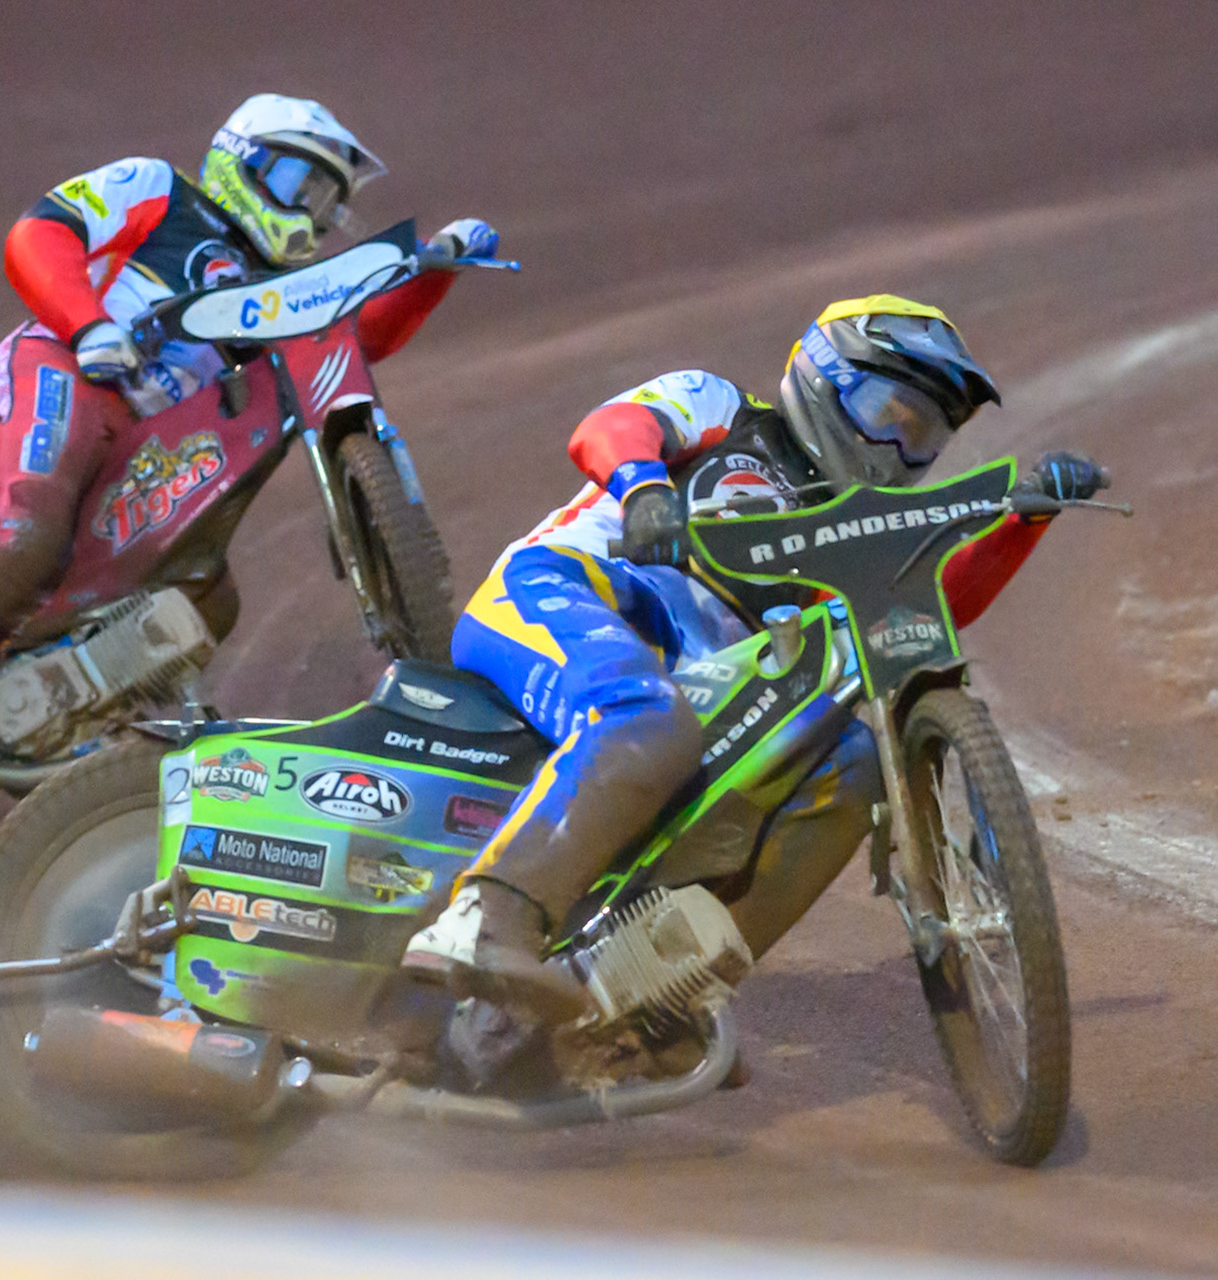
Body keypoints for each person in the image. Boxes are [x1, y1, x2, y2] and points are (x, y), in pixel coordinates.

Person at [401, 295, 1108, 1009]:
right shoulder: (719, 407)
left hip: (693, 688)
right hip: (561, 590)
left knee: (852, 763)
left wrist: (1024, 521)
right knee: (645, 714)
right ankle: (482, 919)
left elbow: (927, 605)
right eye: (887, 413)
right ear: (825, 377)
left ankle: (640, 1001)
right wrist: (646, 491)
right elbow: (609, 428)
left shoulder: (856, 526)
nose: (897, 448)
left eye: (921, 434)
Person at [0, 93, 497, 796]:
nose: (307, 209)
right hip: (65, 366)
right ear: (239, 160)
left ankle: (44, 727)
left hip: (150, 441)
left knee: (205, 595)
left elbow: (356, 340)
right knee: (27, 532)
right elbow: (40, 233)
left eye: (323, 198)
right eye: (292, 182)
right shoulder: (157, 188)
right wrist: (89, 325)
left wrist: (434, 274)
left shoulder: (280, 287)